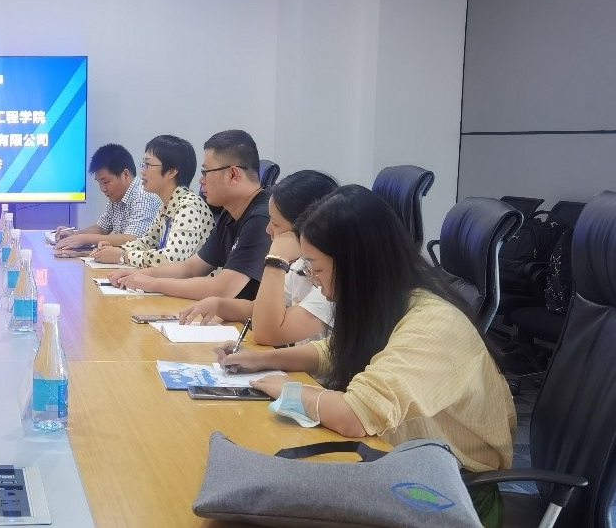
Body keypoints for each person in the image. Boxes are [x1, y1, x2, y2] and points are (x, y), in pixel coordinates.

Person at [217, 185, 515, 526]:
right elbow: (338, 350)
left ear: (356, 265)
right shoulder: (391, 301)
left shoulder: (433, 326)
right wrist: (263, 360)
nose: (314, 281)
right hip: (398, 462)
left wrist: (286, 389)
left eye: (317, 269)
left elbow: (354, 415)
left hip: (450, 495)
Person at [178, 170, 337, 346]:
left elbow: (267, 334)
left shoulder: (331, 281)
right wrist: (219, 305)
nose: (268, 229)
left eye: (275, 224)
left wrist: (276, 259)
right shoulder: (300, 265)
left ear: (305, 227)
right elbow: (259, 309)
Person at [110, 130, 270, 300]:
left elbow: (222, 289)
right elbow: (191, 268)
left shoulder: (262, 218)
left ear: (233, 174)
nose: (201, 181)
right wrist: (140, 275)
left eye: (206, 172)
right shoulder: (229, 215)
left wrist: (151, 283)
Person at [89, 135, 211, 268]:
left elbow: (172, 259)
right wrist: (115, 250)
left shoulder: (188, 206)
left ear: (171, 172)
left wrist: (123, 256)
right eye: (143, 164)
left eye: (147, 164)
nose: (142, 171)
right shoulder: (166, 206)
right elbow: (148, 242)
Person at [53, 143, 160, 251]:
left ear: (125, 174)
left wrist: (84, 239)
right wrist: (74, 235)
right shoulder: (117, 197)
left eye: (106, 182)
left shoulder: (143, 194)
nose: (103, 189)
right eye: (99, 183)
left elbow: (133, 239)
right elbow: (101, 229)